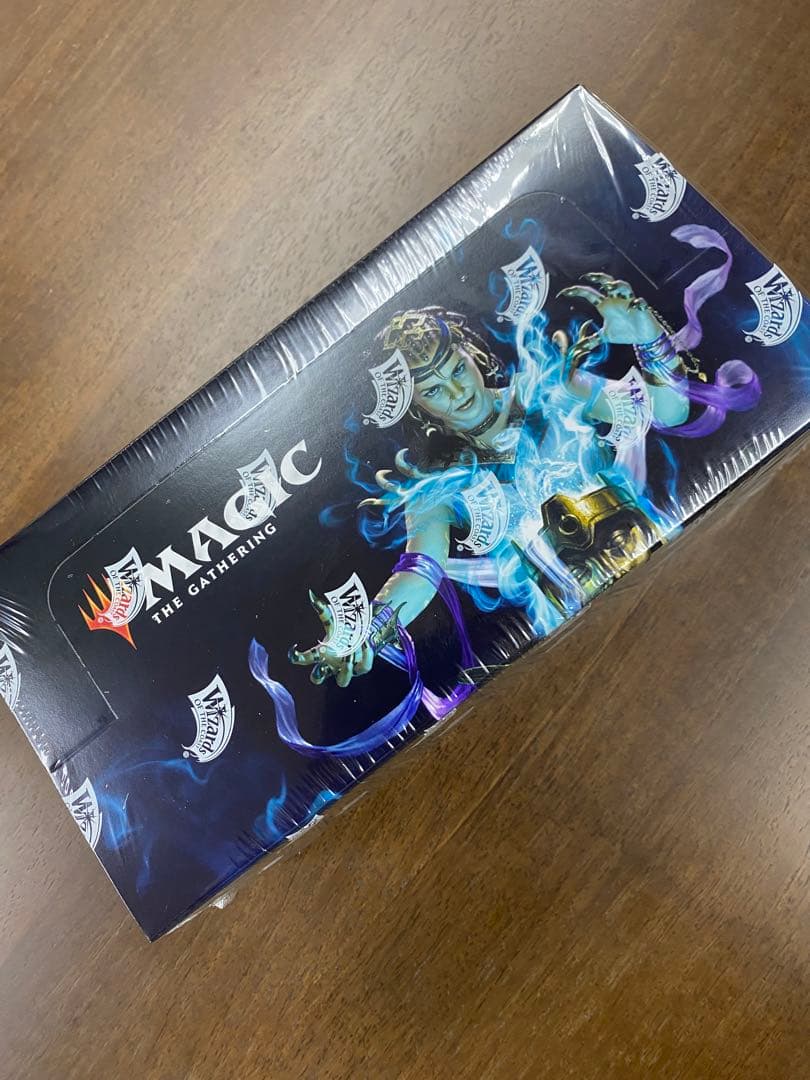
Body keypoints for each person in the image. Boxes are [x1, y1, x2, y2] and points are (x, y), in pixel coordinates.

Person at [290, 273, 694, 689]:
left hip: (679, 565)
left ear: (473, 354)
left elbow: (670, 410)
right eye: (433, 390)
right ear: (416, 407)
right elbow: (420, 571)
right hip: (596, 634)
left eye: (456, 369)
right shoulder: (435, 488)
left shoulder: (550, 388)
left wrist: (648, 337)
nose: (456, 390)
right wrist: (368, 630)